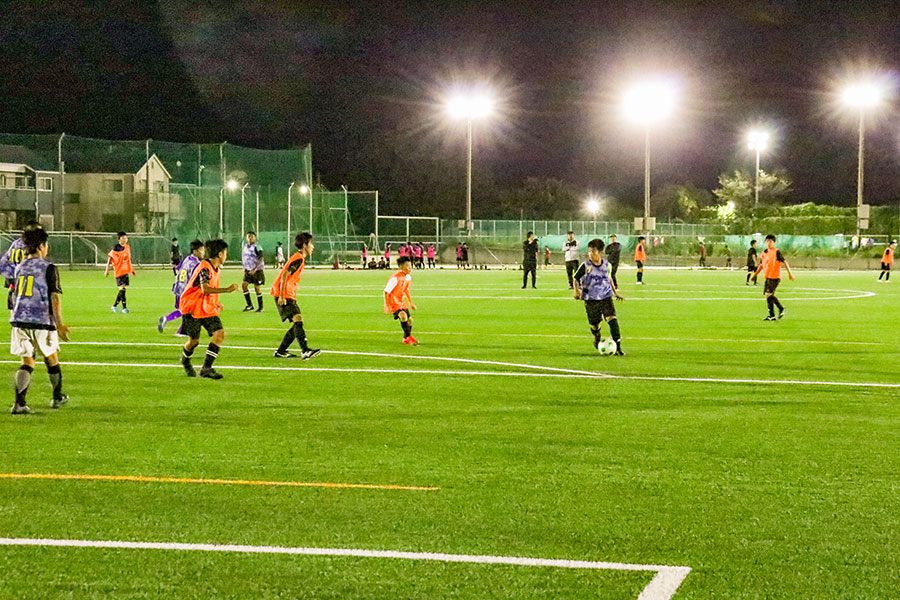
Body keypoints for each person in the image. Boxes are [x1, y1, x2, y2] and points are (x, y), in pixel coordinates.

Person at [9, 227, 70, 414]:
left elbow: (12, 295)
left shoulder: (19, 267)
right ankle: (57, 397)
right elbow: (54, 297)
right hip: (42, 319)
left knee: (27, 361)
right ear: (42, 245)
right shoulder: (48, 268)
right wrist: (59, 324)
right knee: (51, 357)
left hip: (20, 320)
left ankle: (19, 403)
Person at [178, 239, 237, 379]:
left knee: (219, 334)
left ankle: (206, 368)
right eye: (225, 253)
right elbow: (205, 289)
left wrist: (215, 302)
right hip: (192, 308)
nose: (226, 256)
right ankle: (185, 360)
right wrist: (227, 290)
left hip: (206, 308)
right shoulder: (205, 268)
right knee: (194, 341)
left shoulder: (216, 268)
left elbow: (209, 289)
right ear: (220, 254)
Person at [271, 232, 321, 359]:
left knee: (296, 323)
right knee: (298, 319)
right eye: (311, 244)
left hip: (287, 293)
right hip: (284, 294)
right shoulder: (298, 258)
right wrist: (282, 296)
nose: (313, 247)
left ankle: (281, 351)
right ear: (304, 245)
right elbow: (285, 275)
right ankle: (305, 350)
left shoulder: (298, 258)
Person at [573, 238, 625, 356]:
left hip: (606, 297)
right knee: (595, 325)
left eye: (593, 252)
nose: (590, 254)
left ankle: (618, 347)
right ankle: (597, 336)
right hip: (591, 299)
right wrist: (576, 291)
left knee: (612, 319)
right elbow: (575, 278)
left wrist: (615, 292)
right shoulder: (585, 266)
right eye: (589, 251)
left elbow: (609, 279)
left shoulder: (607, 265)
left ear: (600, 252)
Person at [158, 239, 204, 333]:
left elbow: (178, 268)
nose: (203, 252)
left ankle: (181, 330)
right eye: (202, 250)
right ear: (195, 251)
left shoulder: (186, 259)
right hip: (186, 291)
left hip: (178, 288)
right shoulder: (197, 264)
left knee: (185, 310)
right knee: (187, 310)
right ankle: (168, 320)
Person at [754, 234, 794, 321]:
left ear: (774, 242)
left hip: (775, 277)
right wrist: (756, 274)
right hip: (768, 276)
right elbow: (761, 265)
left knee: (768, 294)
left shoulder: (776, 252)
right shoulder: (764, 253)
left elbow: (785, 262)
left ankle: (781, 308)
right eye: (767, 241)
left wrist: (790, 273)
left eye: (771, 241)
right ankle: (772, 316)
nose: (769, 243)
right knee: (768, 296)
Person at [0, 223, 38, 311]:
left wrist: (7, 273)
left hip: (12, 275)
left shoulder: (15, 243)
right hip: (22, 275)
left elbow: (5, 260)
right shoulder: (30, 244)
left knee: (14, 299)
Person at [384, 256, 418, 345]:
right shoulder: (395, 278)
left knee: (410, 320)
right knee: (403, 316)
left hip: (401, 301)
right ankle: (409, 337)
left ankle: (405, 338)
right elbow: (386, 292)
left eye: (410, 266)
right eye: (407, 266)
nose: (410, 268)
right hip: (393, 301)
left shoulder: (408, 278)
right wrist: (388, 307)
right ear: (401, 266)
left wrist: (411, 303)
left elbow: (406, 290)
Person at [105, 231, 135, 313]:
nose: (125, 239)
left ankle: (114, 306)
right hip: (118, 271)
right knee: (122, 289)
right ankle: (124, 308)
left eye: (126, 238)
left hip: (125, 271)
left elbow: (128, 259)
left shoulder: (127, 247)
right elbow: (110, 258)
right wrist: (107, 269)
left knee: (123, 289)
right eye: (123, 238)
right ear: (119, 240)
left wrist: (132, 270)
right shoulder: (116, 249)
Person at [240, 232, 265, 312]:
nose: (250, 238)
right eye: (248, 237)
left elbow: (261, 258)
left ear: (255, 237)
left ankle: (261, 307)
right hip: (248, 270)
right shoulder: (245, 246)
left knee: (257, 288)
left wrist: (255, 269)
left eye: (252, 236)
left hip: (257, 271)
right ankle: (250, 305)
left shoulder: (257, 246)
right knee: (244, 285)